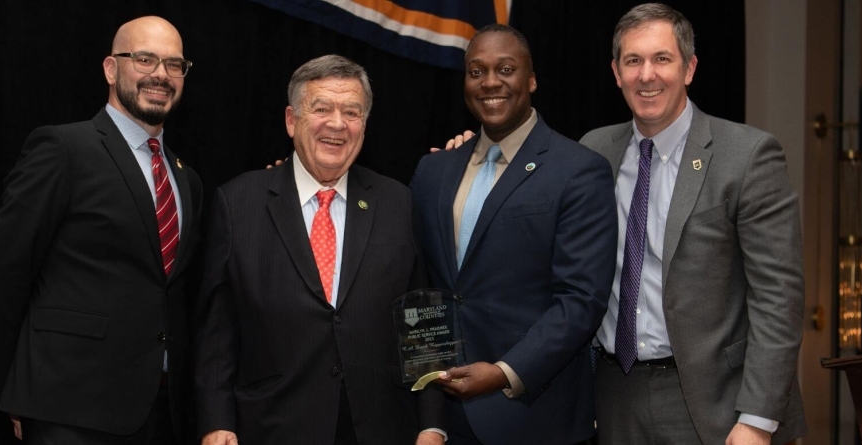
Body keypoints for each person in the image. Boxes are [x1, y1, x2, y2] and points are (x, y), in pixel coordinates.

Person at [578, 4, 807, 444]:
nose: (647, 75)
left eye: (662, 58)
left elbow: (779, 298)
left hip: (714, 404)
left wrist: (757, 420)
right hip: (611, 394)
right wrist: (474, 161)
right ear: (616, 72)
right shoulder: (593, 152)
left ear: (689, 68)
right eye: (633, 61)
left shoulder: (748, 155)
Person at [193, 54, 445, 445]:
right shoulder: (237, 201)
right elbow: (218, 332)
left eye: (352, 111)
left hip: (381, 428)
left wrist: (431, 424)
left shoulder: (399, 203)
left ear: (365, 125)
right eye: (322, 108)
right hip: (271, 426)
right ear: (292, 120)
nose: (337, 124)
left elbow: (422, 324)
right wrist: (216, 422)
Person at [0, 16, 201, 444]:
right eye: (144, 59)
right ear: (111, 69)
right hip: (66, 407)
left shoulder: (185, 178)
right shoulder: (63, 149)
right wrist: (12, 388)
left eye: (175, 65)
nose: (161, 74)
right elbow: (5, 271)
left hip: (158, 413)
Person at [411, 24, 617, 445]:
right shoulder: (433, 171)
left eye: (506, 68)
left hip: (533, 413)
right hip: (442, 416)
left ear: (532, 79)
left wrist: (505, 372)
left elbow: (582, 299)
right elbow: (418, 281)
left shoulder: (578, 170)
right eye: (476, 70)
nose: (490, 82)